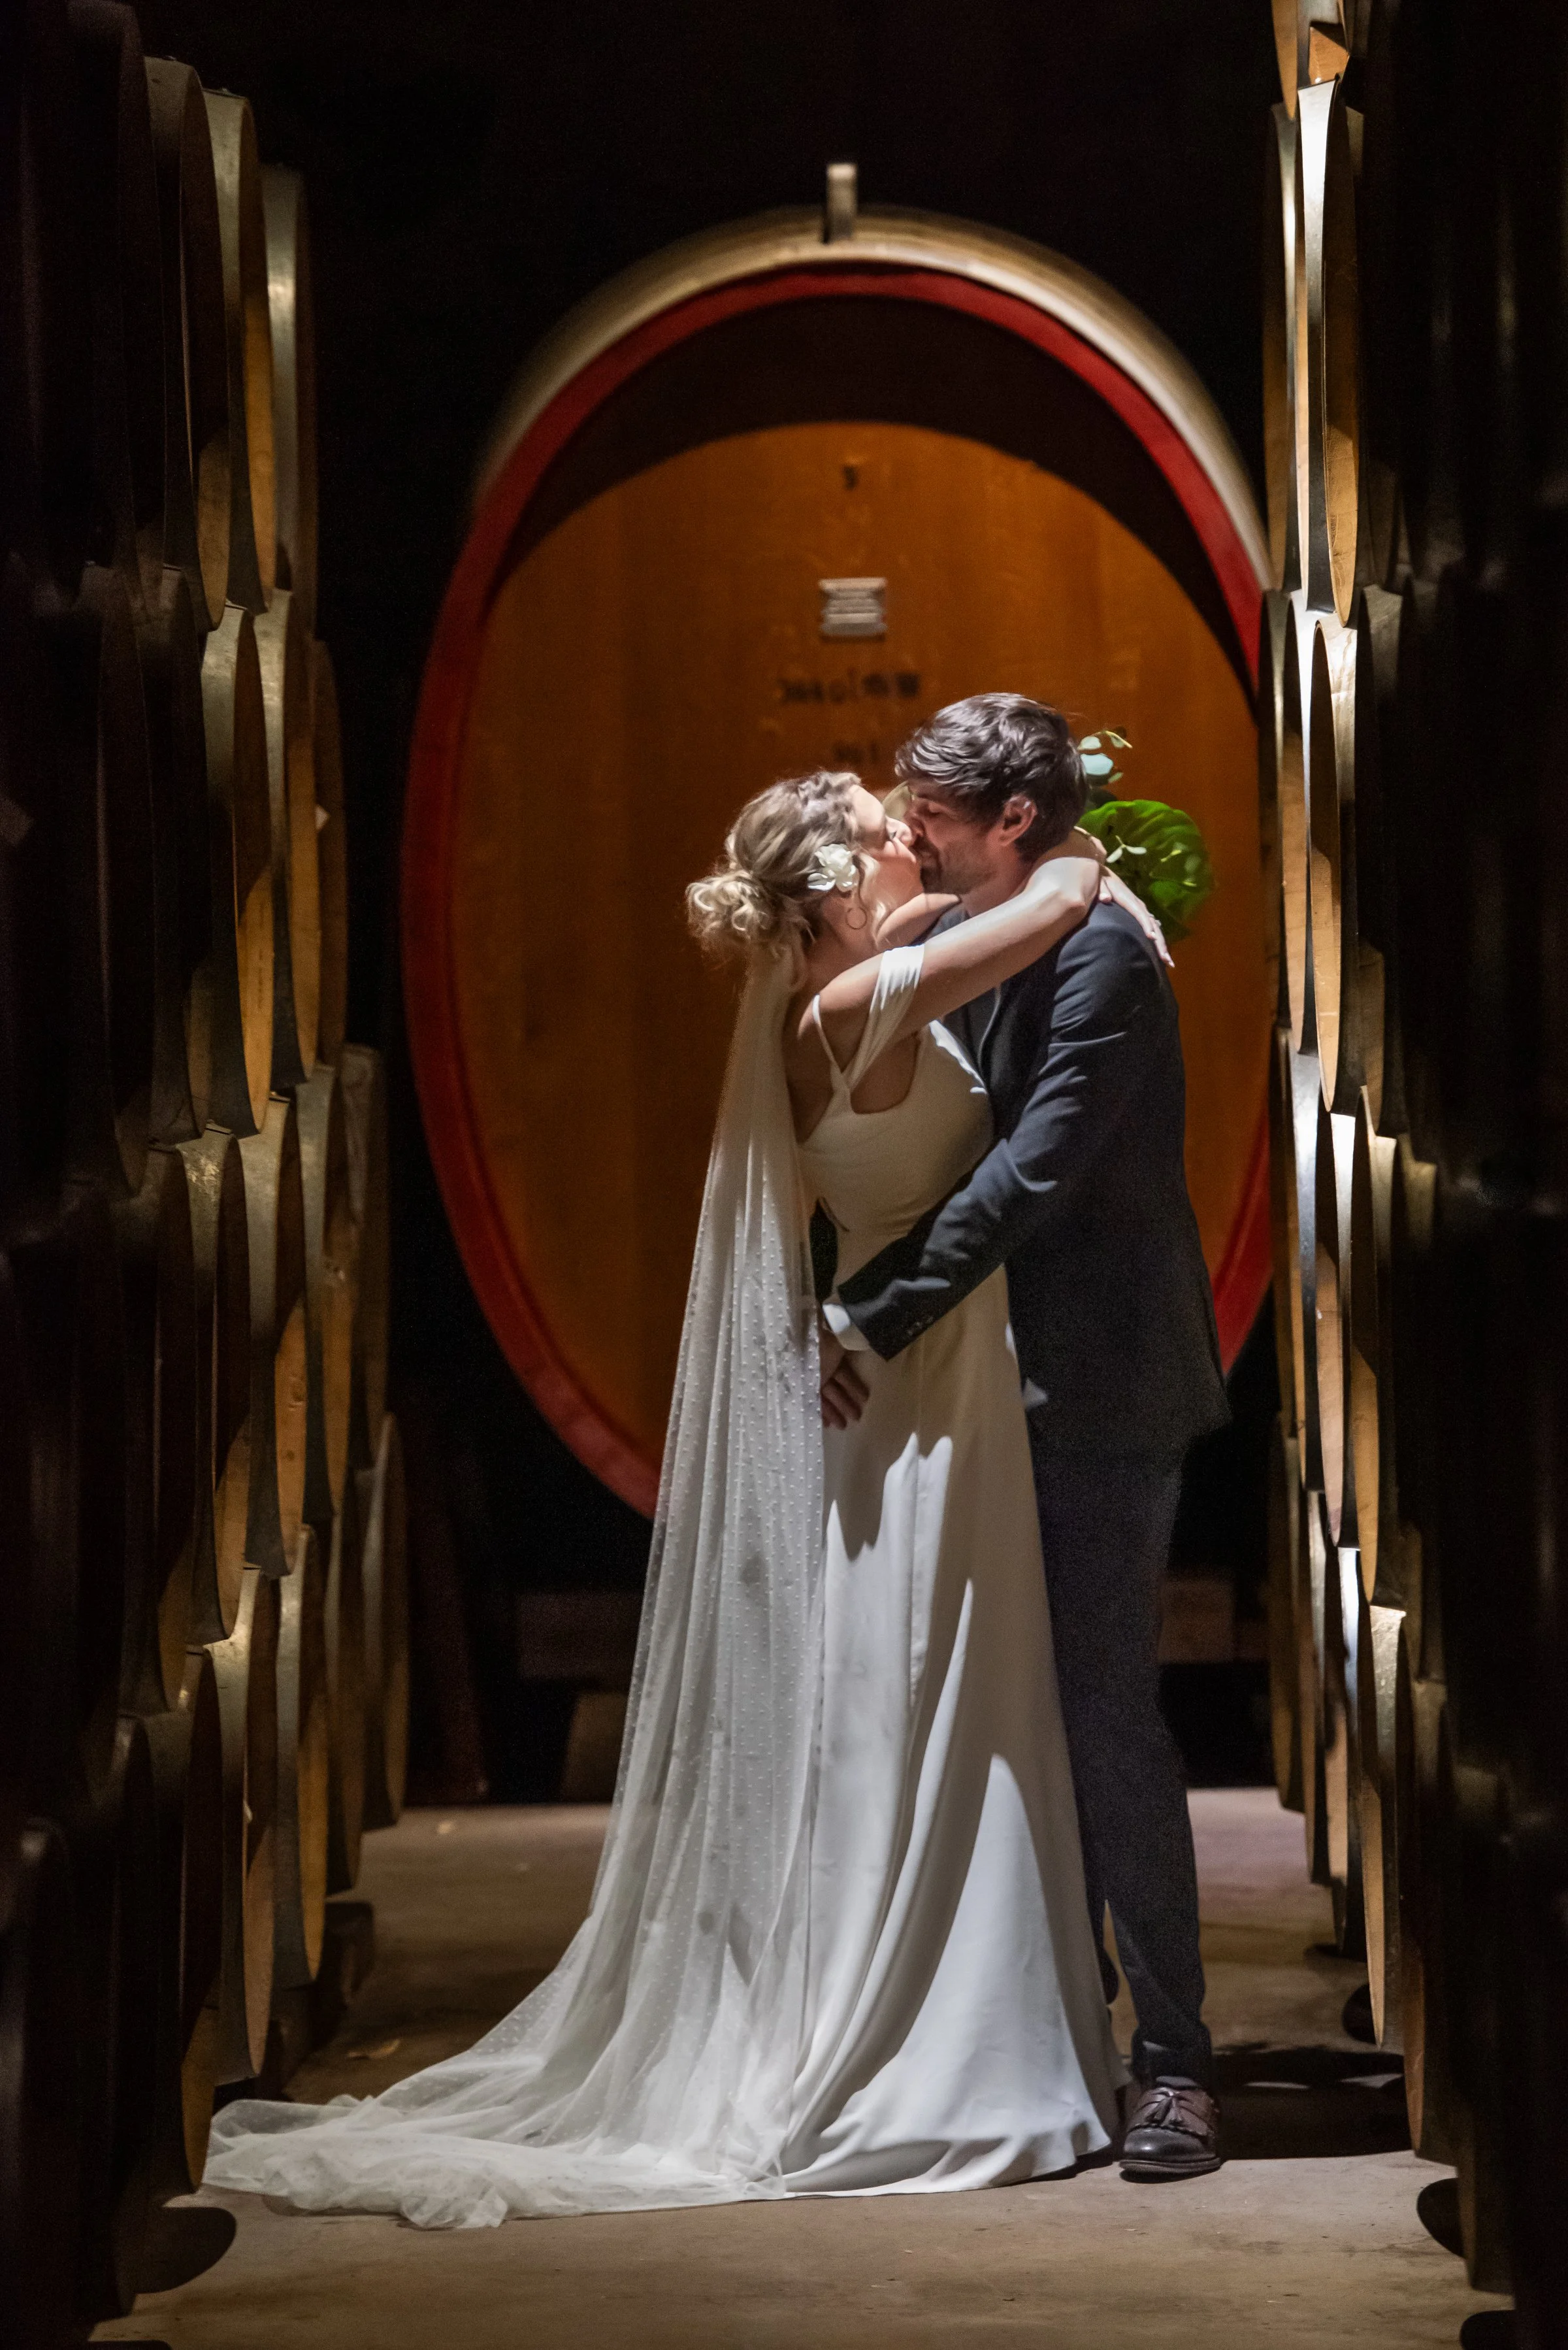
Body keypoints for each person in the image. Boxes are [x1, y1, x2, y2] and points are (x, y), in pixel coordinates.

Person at [203, 764, 1154, 2225]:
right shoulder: (857, 1003)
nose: (904, 833)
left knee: (921, 1707)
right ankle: (913, 2046)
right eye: (878, 831)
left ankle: (949, 2012)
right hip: (920, 1390)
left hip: (901, 1366)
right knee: (929, 1702)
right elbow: (1056, 906)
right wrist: (1074, 834)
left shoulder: (819, 1007)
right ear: (838, 892)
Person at [823, 693, 1230, 2181]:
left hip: (1099, 1386)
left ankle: (1179, 2063)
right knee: (1017, 1714)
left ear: (1007, 821)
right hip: (993, 1385)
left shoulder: (1106, 952)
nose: (904, 819)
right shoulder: (1018, 909)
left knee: (1109, 1712)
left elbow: (1037, 1176)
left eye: (929, 804)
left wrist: (872, 1311)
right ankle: (1062, 2025)